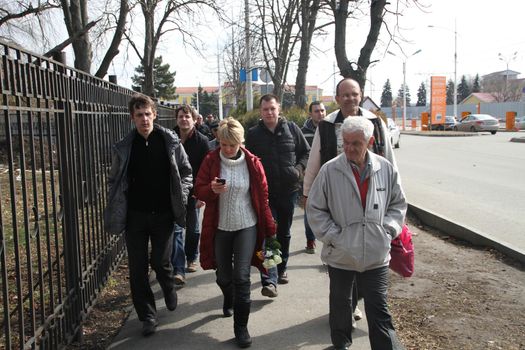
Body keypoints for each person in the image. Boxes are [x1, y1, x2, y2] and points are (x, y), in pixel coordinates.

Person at [306, 117, 407, 350]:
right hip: (341, 254)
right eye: (346, 142)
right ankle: (341, 345)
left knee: (379, 311)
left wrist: (387, 231)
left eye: (356, 143)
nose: (349, 148)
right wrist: (334, 237)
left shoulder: (386, 169)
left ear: (370, 142)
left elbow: (398, 204)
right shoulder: (330, 170)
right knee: (341, 307)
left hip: (376, 255)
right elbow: (315, 209)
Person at [303, 77, 397, 324]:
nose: (349, 99)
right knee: (344, 254)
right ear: (337, 98)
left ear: (361, 95)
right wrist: (308, 192)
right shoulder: (326, 124)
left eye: (354, 94)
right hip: (337, 197)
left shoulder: (375, 122)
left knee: (367, 257)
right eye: (344, 95)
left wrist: (390, 223)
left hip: (370, 194)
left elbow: (388, 158)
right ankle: (347, 307)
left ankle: (354, 303)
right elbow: (314, 161)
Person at [104, 94, 193, 336]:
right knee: (137, 267)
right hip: (135, 216)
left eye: (148, 114)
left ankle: (168, 286)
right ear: (132, 118)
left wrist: (182, 195)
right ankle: (147, 316)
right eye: (139, 115)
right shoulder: (125, 146)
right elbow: (114, 179)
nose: (144, 119)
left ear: (154, 114)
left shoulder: (169, 141)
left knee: (160, 262)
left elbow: (186, 172)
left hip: (163, 214)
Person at [195, 117, 276, 348]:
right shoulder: (211, 160)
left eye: (233, 144)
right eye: (224, 144)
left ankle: (241, 327)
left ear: (241, 142)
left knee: (242, 277)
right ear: (218, 142)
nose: (228, 149)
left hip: (247, 225)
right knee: (223, 277)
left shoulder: (252, 162)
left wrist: (269, 225)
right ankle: (227, 296)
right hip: (220, 227)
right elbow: (199, 190)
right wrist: (211, 189)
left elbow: (263, 194)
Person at [245, 94, 310, 297]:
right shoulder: (254, 134)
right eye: (265, 109)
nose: (269, 113)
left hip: (288, 191)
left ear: (278, 109)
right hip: (266, 193)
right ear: (260, 112)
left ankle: (281, 269)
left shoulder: (292, 129)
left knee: (284, 233)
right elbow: (248, 161)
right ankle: (269, 279)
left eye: (272, 108)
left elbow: (306, 153)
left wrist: (298, 170)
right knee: (268, 234)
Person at [172, 104, 211, 285]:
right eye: (181, 116)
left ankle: (191, 258)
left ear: (194, 120)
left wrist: (202, 194)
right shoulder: (169, 138)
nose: (184, 119)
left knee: (194, 228)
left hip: (194, 191)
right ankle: (178, 269)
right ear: (177, 119)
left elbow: (207, 169)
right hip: (174, 191)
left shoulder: (202, 141)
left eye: (187, 116)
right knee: (176, 230)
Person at [300, 101, 326, 254]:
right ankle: (310, 239)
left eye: (322, 110)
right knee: (309, 209)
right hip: (310, 177)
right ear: (310, 114)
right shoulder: (303, 132)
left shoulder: (331, 130)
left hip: (329, 176)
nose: (320, 113)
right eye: (316, 111)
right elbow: (301, 153)